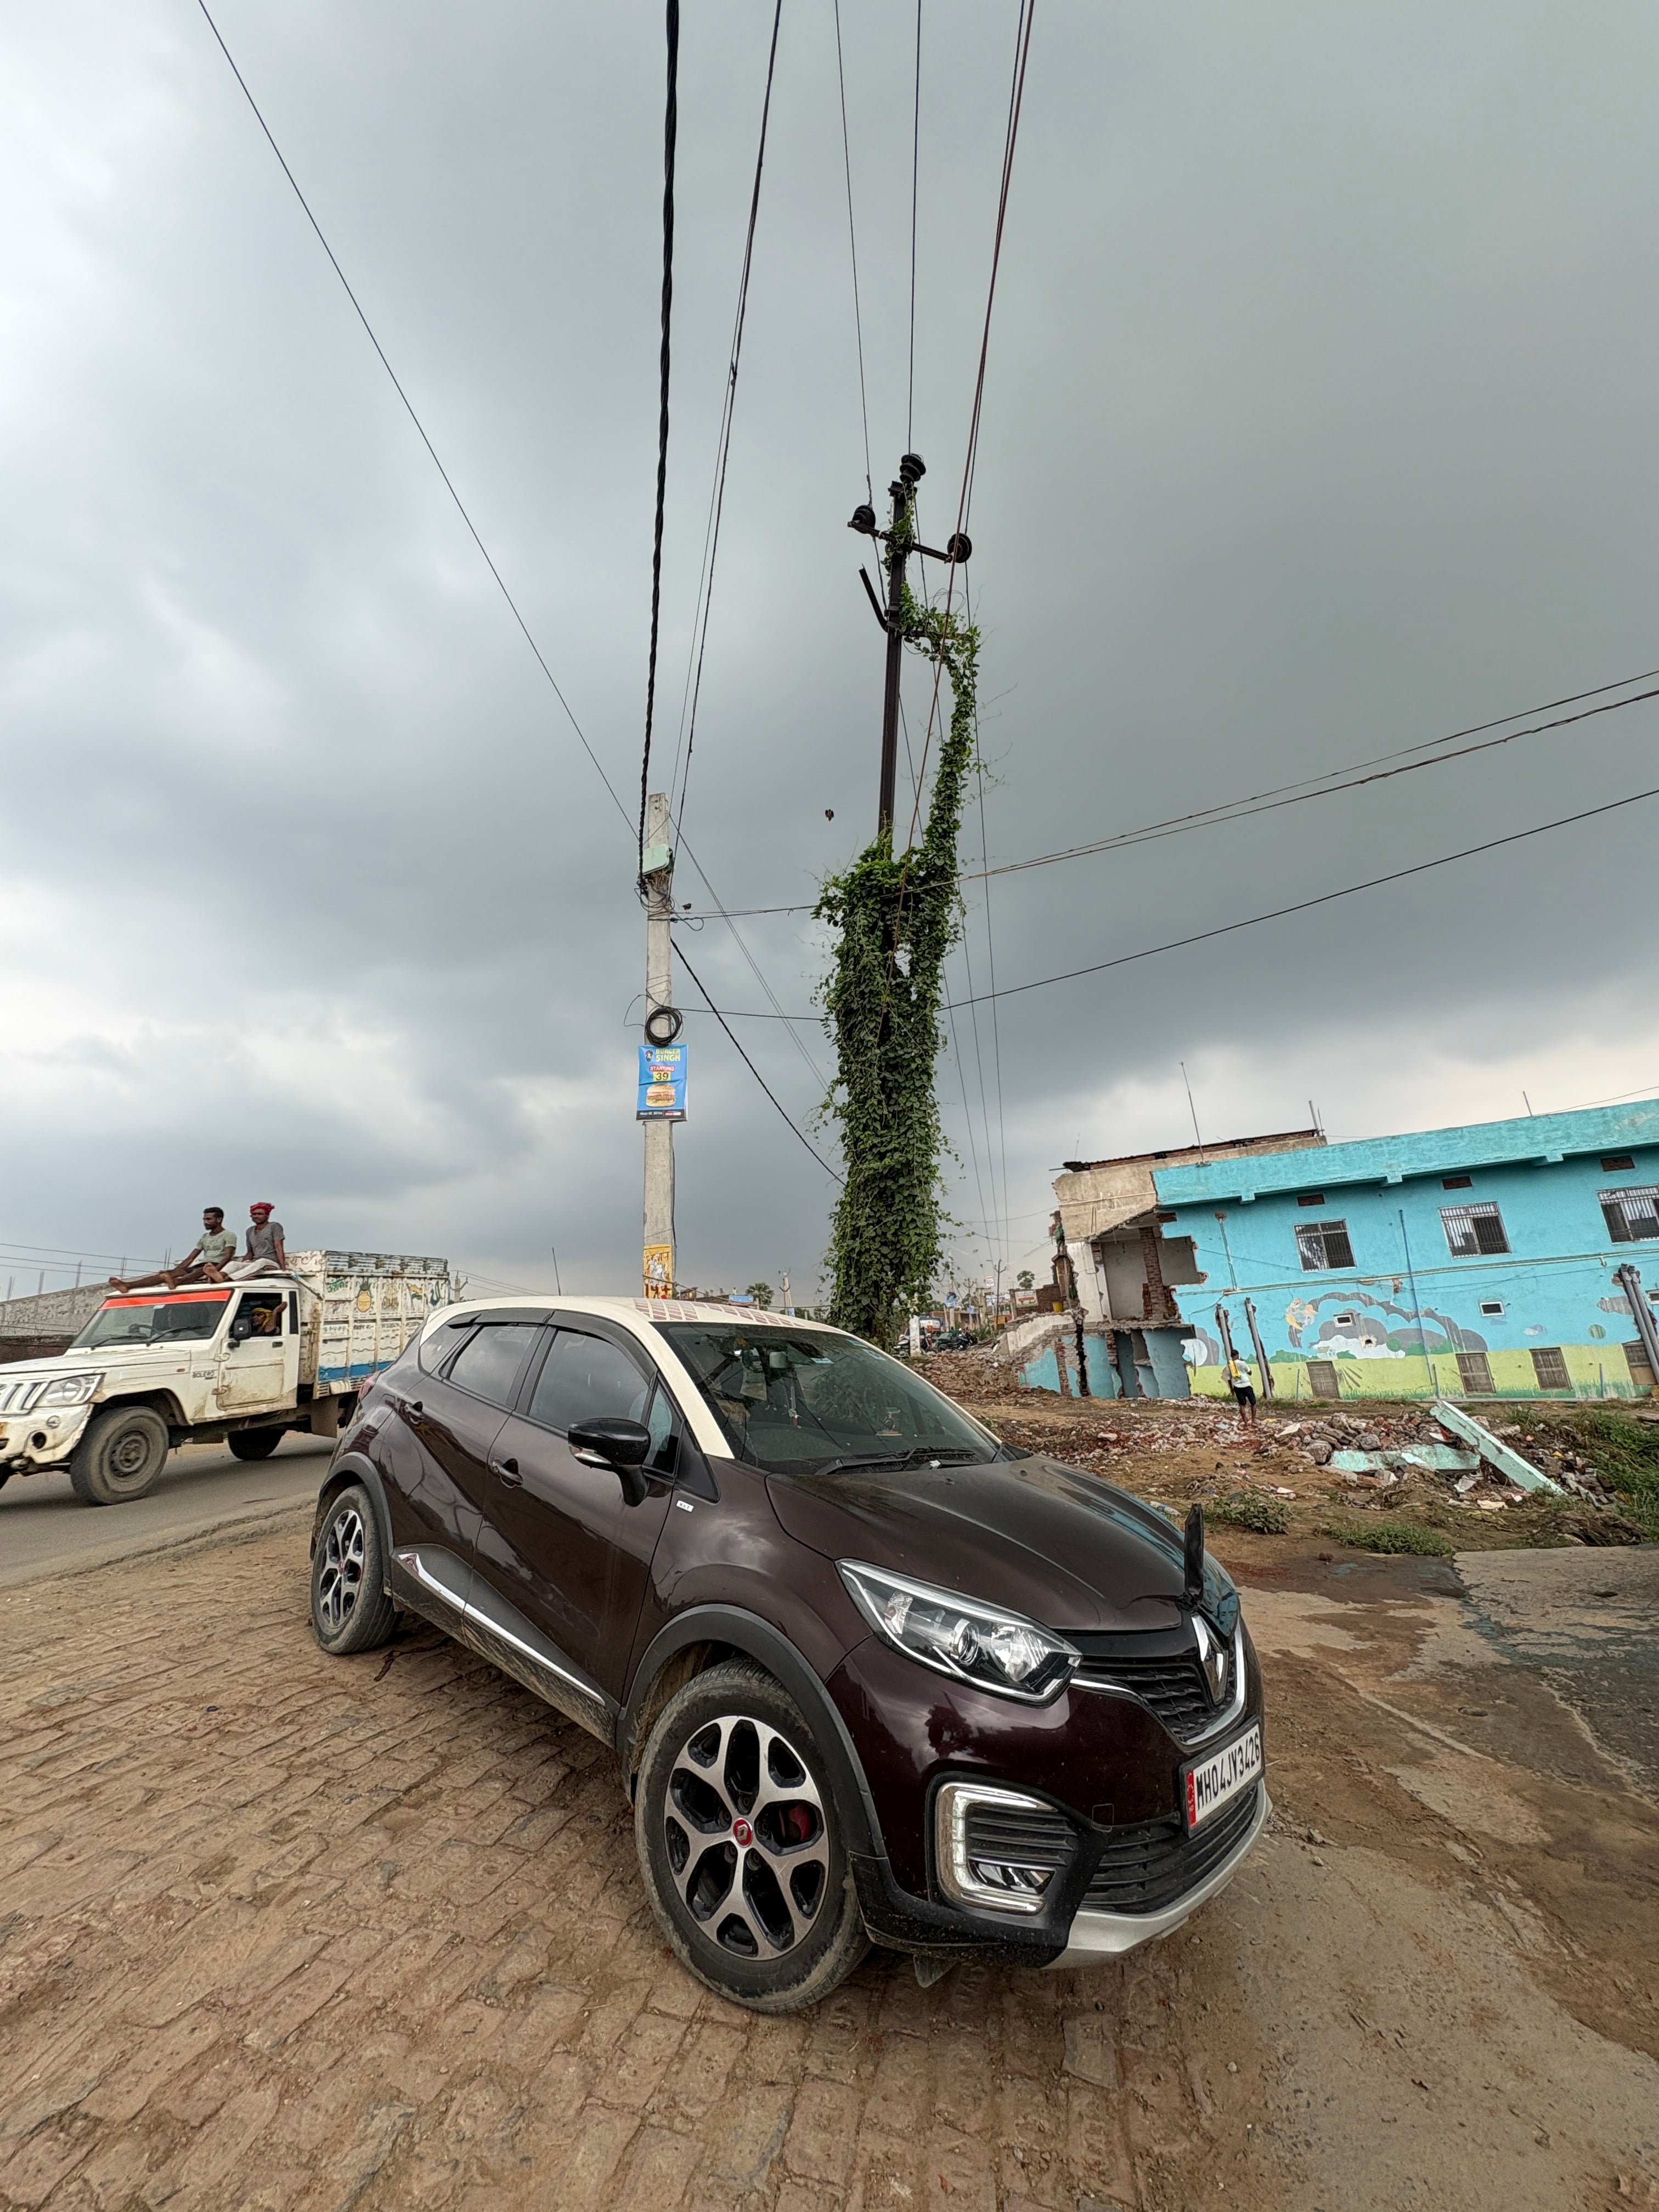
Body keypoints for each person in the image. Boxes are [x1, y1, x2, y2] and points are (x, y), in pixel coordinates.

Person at [110, 1209, 239, 1292]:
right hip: (201, 1264)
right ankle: (128, 1285)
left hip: (214, 1265)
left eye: (209, 1219)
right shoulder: (205, 1237)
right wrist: (175, 1271)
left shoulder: (229, 1235)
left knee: (200, 1270)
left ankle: (176, 1282)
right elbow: (191, 1258)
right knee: (165, 1274)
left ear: (219, 1219)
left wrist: (215, 1271)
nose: (206, 1222)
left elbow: (227, 1257)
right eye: (204, 1219)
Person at [225, 1203, 290, 1279]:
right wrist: (242, 1264)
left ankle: (229, 1279)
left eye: (260, 1214)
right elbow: (250, 1252)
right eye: (254, 1214)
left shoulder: (274, 1226)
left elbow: (279, 1248)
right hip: (255, 1263)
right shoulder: (250, 1231)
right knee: (233, 1264)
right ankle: (219, 1277)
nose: (256, 1216)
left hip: (270, 1263)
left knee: (262, 1261)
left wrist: (283, 1268)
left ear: (267, 1216)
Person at [1225, 1350, 1258, 1424]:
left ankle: (1246, 1423)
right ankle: (1253, 1421)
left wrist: (1232, 1390)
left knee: (1242, 1405)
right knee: (1253, 1403)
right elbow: (1250, 1373)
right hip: (1247, 1385)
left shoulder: (1230, 1366)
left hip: (1238, 1387)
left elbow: (1229, 1379)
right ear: (1237, 1355)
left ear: (1232, 1356)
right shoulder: (1243, 1363)